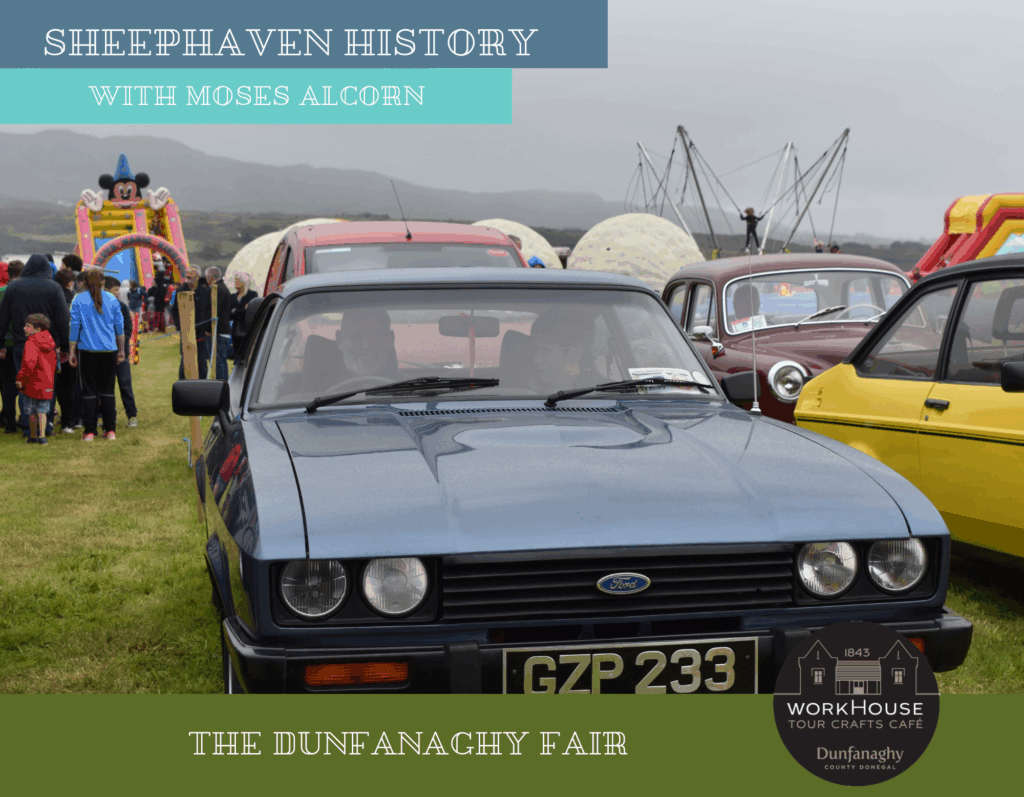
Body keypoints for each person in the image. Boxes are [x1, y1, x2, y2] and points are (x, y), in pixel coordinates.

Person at [0, 254, 70, 437]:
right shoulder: (54, 288)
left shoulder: (13, 287)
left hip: (20, 345)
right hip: (48, 345)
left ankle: (27, 426)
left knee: (24, 385)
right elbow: (63, 320)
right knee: (47, 385)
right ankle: (45, 426)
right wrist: (65, 347)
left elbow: (3, 319)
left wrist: (1, 343)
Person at [69, 268, 124, 441]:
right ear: (103, 282)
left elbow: (74, 327)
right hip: (109, 350)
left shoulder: (79, 299)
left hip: (87, 351)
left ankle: (90, 431)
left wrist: (71, 351)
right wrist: (121, 350)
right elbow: (119, 329)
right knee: (108, 391)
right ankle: (110, 430)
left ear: (84, 282)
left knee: (89, 391)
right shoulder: (112, 299)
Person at [526, 310, 596, 394]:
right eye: (536, 351)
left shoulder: (601, 394)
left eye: (546, 351)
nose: (536, 359)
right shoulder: (520, 392)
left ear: (575, 353)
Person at [15, 313, 57, 444]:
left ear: (37, 329)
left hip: (32, 382)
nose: (24, 328)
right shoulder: (50, 341)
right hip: (47, 382)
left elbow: (29, 363)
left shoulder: (31, 342)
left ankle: (33, 436)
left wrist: (20, 378)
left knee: (31, 412)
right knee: (43, 411)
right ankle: (43, 436)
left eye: (28, 326)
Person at [104, 276, 138, 428]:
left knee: (125, 385)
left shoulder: (122, 307)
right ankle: (109, 416)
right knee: (106, 387)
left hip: (121, 353)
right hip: (104, 353)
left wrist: (121, 347)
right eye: (115, 290)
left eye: (118, 290)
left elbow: (128, 328)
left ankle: (132, 415)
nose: (118, 293)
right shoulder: (99, 307)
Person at [336, 307, 399, 381]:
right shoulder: (320, 389)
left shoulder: (410, 389)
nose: (367, 346)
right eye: (356, 336)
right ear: (340, 340)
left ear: (390, 340)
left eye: (377, 336)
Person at [170, 269, 209, 379]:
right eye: (187, 277)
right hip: (186, 331)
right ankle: (182, 383)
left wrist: (207, 328)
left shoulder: (205, 291)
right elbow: (175, 310)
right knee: (185, 361)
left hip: (201, 331)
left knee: (202, 361)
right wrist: (179, 325)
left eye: (191, 277)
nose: (188, 280)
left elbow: (208, 310)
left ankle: (202, 383)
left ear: (197, 277)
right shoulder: (180, 291)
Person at [0, 260, 22, 433]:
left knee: (7, 385)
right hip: (22, 342)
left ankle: (9, 421)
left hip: (4, 344)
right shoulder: (22, 291)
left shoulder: (3, 292)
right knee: (24, 382)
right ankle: (26, 419)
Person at [206, 267, 232, 379]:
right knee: (221, 359)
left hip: (219, 330)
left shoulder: (217, 289)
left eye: (207, 277)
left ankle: (221, 383)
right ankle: (223, 382)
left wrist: (207, 329)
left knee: (219, 360)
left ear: (211, 277)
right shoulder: (223, 288)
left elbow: (213, 311)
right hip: (223, 329)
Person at [230, 272, 259, 362]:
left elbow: (250, 312)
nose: (234, 282)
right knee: (237, 357)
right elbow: (229, 314)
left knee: (247, 357)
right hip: (235, 332)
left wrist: (235, 310)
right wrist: (242, 309)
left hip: (247, 331)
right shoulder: (233, 296)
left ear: (243, 282)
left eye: (236, 280)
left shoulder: (252, 295)